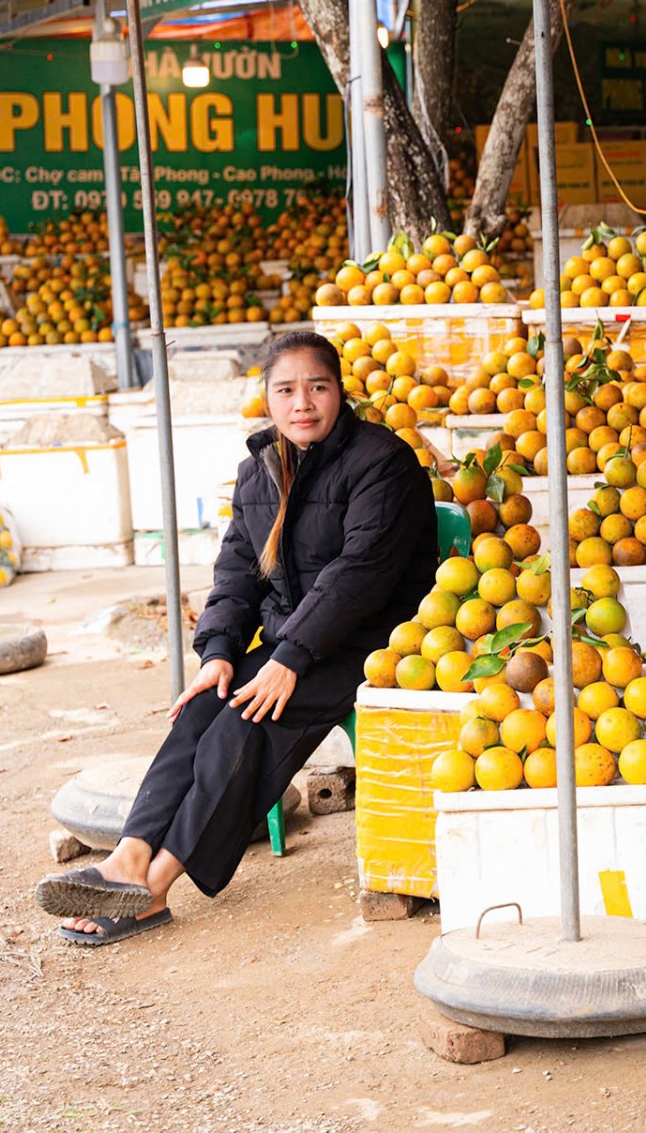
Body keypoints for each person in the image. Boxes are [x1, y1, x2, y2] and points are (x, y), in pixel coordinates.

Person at [37, 331, 436, 945]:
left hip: (374, 644)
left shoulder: (382, 461)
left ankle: (153, 890)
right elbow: (236, 574)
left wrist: (290, 660)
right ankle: (128, 857)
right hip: (295, 642)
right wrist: (219, 653)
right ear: (269, 401)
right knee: (203, 707)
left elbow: (360, 575)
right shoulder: (260, 471)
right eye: (287, 390)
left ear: (338, 393)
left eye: (317, 387)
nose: (303, 402)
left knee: (242, 724)